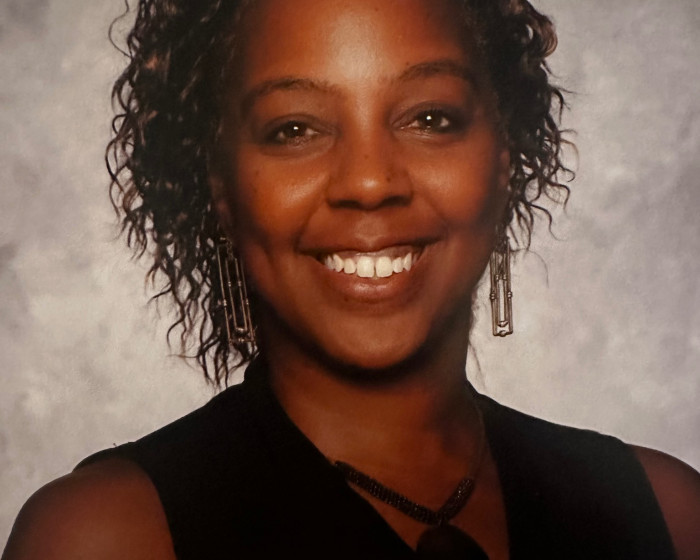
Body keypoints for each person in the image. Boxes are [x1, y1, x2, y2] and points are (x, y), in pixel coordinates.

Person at [3, 0, 700, 558]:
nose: (369, 182)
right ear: (221, 187)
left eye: (430, 118)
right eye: (294, 129)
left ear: (503, 159)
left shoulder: (666, 516)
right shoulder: (103, 538)